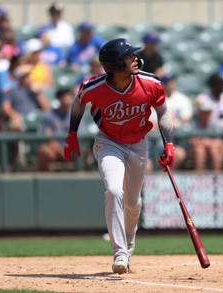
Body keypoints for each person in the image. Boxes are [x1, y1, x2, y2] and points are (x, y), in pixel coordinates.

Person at [63, 38, 174, 274]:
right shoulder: (95, 87)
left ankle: (129, 243)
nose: (135, 58)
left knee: (133, 203)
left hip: (138, 144)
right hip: (108, 142)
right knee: (114, 191)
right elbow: (78, 102)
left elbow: (162, 111)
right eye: (129, 56)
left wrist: (169, 144)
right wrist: (72, 132)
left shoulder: (150, 82)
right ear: (115, 65)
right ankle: (120, 252)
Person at [37, 88, 73, 171]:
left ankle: (80, 175)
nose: (69, 98)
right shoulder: (49, 115)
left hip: (71, 149)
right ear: (59, 99)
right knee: (43, 151)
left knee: (83, 150)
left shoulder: (75, 114)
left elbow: (79, 135)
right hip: (55, 149)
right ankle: (46, 179)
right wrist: (60, 151)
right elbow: (48, 136)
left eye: (70, 96)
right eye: (66, 96)